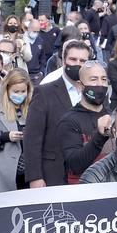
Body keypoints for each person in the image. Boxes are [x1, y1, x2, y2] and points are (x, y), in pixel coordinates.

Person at [25, 39, 91, 188]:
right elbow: (32, 138)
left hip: (87, 175)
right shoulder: (44, 92)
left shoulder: (94, 92)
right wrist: (35, 177)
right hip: (53, 174)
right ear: (63, 61)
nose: (77, 64)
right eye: (73, 59)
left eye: (83, 60)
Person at [58, 60, 112, 184]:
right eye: (93, 79)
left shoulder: (112, 116)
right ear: (81, 86)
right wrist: (100, 136)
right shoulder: (69, 121)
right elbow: (75, 165)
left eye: (103, 79)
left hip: (113, 188)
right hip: (83, 190)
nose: (100, 84)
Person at [0, 69, 32, 194]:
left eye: (23, 91)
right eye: (16, 91)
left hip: (30, 172)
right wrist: (5, 136)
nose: (20, 95)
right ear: (7, 90)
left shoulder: (33, 108)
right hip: (4, 172)